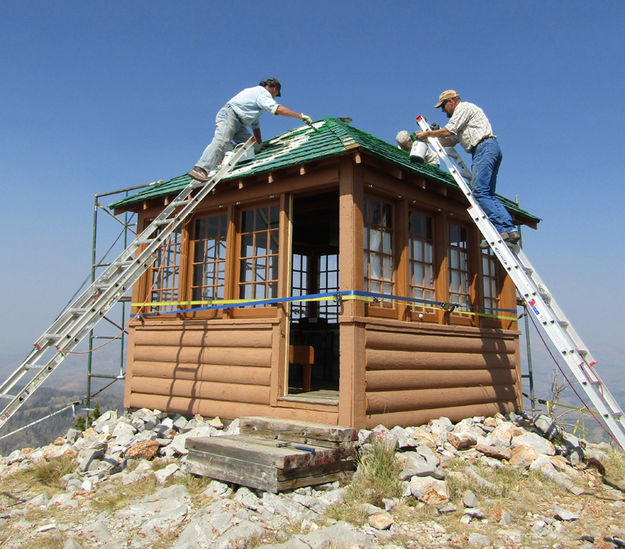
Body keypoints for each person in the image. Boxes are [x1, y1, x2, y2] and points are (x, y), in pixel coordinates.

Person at [416, 90, 520, 246]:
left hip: (483, 148)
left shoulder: (463, 108)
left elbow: (448, 131)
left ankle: (501, 230)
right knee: (488, 193)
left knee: (479, 191)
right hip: (488, 148)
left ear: (452, 101)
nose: (443, 111)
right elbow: (450, 141)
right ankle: (510, 230)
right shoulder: (464, 121)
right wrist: (430, 140)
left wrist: (428, 134)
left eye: (444, 106)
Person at [188, 78, 312, 181]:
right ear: (274, 88)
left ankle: (228, 149)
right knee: (222, 140)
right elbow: (277, 109)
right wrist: (300, 116)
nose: (274, 97)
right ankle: (201, 168)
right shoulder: (262, 93)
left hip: (239, 123)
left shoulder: (255, 101)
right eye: (276, 94)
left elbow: (255, 126)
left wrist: (260, 144)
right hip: (230, 115)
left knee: (253, 147)